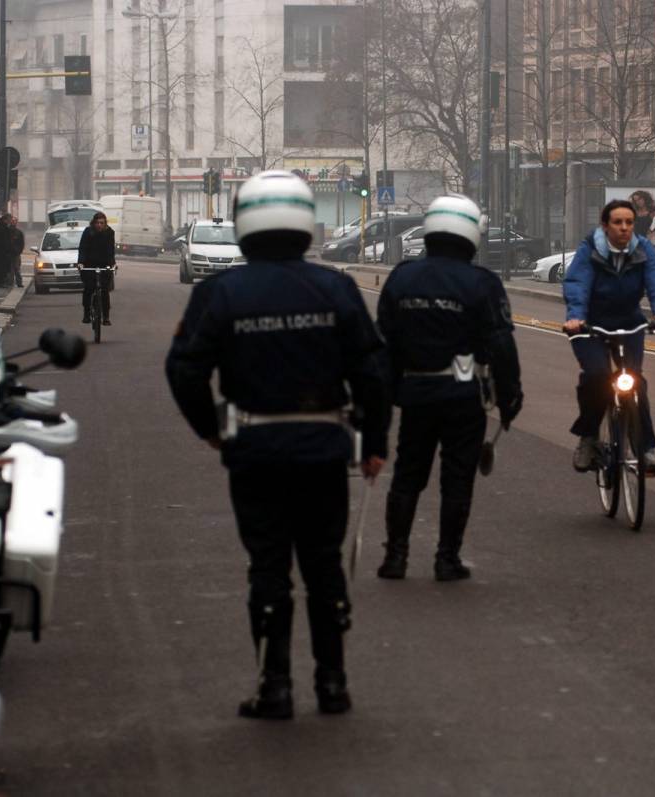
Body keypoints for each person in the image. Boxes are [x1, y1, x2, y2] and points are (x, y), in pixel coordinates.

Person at [165, 170, 390, 720]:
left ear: (244, 222)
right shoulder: (335, 288)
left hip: (255, 450)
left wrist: (211, 428)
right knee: (323, 564)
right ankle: (333, 684)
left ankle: (275, 686)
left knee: (267, 566)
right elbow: (374, 370)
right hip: (323, 448)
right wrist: (373, 440)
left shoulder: (219, 293)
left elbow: (184, 368)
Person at [375, 194, 523, 582]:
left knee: (409, 473)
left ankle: (395, 557)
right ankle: (446, 559)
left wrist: (387, 393)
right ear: (473, 234)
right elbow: (502, 345)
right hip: (463, 395)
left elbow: (384, 345)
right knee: (457, 478)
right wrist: (510, 397)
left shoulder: (401, 277)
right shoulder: (482, 283)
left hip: (416, 394)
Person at [563, 199, 655, 473]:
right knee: (597, 376)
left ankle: (646, 449)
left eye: (629, 222)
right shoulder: (590, 250)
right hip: (591, 325)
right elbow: (578, 283)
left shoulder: (643, 249)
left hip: (629, 323)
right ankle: (588, 438)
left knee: (635, 382)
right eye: (618, 222)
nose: (625, 228)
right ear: (605, 225)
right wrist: (575, 317)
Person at [77, 212, 116, 325]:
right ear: (94, 223)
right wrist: (81, 263)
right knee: (88, 289)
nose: (99, 225)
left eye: (102, 223)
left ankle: (106, 317)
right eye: (97, 223)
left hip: (104, 264)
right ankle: (86, 314)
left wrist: (111, 264)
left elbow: (110, 250)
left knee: (104, 290)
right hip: (89, 265)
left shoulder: (109, 233)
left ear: (105, 224)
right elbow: (82, 248)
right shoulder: (88, 232)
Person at [7, 216, 25, 288]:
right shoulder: (8, 231)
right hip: (9, 253)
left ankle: (18, 283)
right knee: (10, 269)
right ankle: (10, 282)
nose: (13, 222)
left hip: (15, 253)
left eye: (14, 221)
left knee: (16, 269)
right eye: (12, 221)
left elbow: (22, 243)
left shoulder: (18, 232)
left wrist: (19, 251)